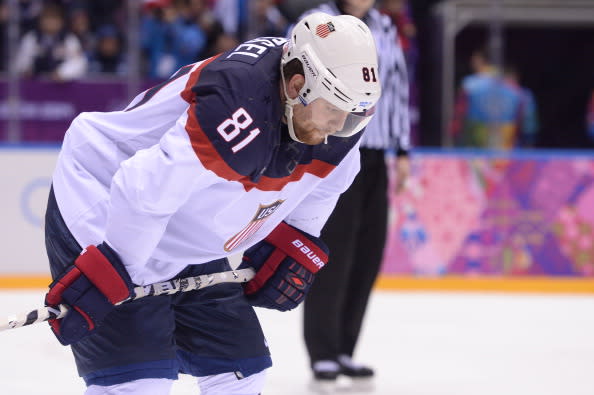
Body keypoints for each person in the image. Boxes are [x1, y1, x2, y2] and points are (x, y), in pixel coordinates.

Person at [43, 11, 381, 395]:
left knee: (240, 372)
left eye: (353, 115)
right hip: (107, 205)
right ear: (297, 84)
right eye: (333, 110)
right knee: (139, 383)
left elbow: (326, 182)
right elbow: (144, 191)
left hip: (186, 226)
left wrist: (293, 240)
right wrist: (116, 277)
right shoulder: (238, 104)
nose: (339, 127)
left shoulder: (340, 111)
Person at [295, 0, 411, 390]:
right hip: (335, 151)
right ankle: (323, 352)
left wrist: (403, 150)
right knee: (333, 252)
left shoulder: (386, 26)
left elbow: (396, 90)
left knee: (367, 253)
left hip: (377, 154)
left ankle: (345, 348)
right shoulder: (320, 23)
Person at [450, 49, 537, 149]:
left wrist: (455, 141)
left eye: (473, 59)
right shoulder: (522, 93)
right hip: (509, 155)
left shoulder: (468, 85)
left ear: (479, 60)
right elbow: (529, 129)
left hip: (472, 153)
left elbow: (457, 119)